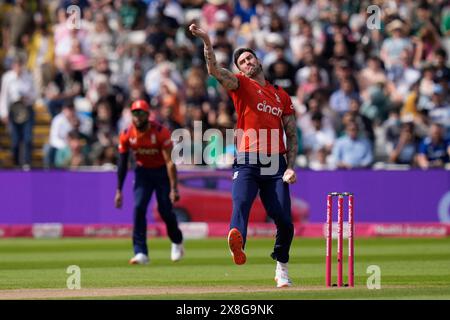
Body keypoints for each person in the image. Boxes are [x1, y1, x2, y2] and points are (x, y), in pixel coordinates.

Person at [189, 24, 298, 288]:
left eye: (250, 58)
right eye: (242, 61)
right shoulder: (241, 84)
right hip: (248, 158)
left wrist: (291, 167)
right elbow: (214, 71)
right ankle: (238, 244)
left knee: (284, 220)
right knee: (241, 203)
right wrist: (206, 40)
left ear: (258, 60)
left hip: (275, 164)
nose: (248, 62)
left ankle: (281, 268)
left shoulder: (281, 95)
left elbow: (291, 134)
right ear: (240, 69)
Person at [114, 99, 184, 265]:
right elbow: (122, 163)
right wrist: (119, 190)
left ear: (147, 115)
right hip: (143, 173)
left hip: (161, 173)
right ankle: (140, 252)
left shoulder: (160, 132)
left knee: (165, 210)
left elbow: (169, 162)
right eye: (134, 114)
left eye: (141, 113)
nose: (137, 117)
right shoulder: (126, 134)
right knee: (139, 208)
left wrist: (174, 188)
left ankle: (177, 241)